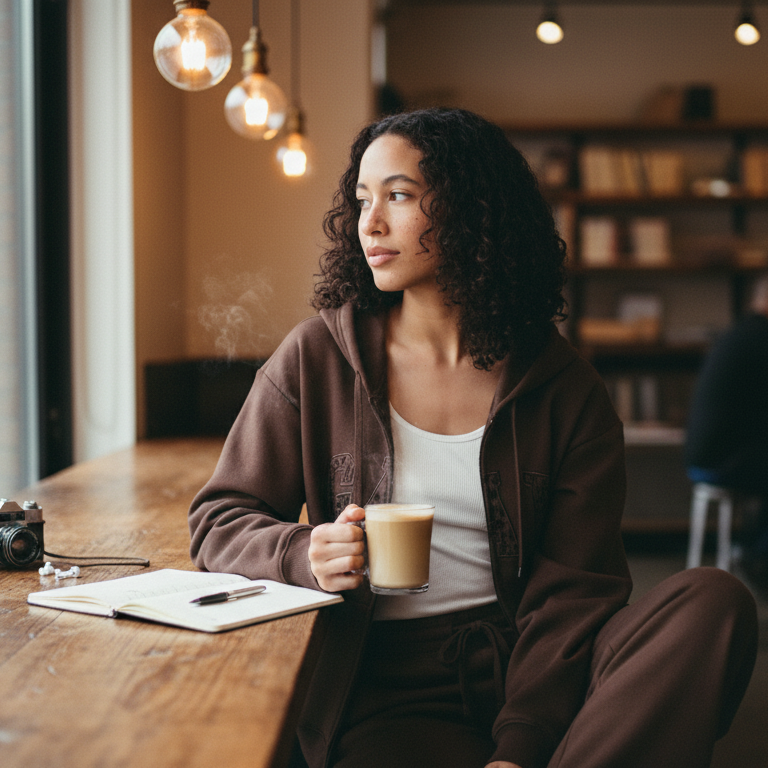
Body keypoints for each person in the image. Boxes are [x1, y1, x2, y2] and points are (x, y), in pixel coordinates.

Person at [188, 108, 757, 768]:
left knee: (714, 603)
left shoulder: (565, 388)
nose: (370, 223)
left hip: (545, 667)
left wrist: (521, 744)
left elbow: (575, 591)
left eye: (399, 195)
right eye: (363, 199)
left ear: (470, 210)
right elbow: (218, 520)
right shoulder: (318, 358)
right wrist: (302, 552)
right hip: (389, 690)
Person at [686, 272, 768, 592]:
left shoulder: (741, 333)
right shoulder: (759, 339)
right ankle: (755, 554)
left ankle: (750, 549)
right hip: (722, 459)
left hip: (706, 454)